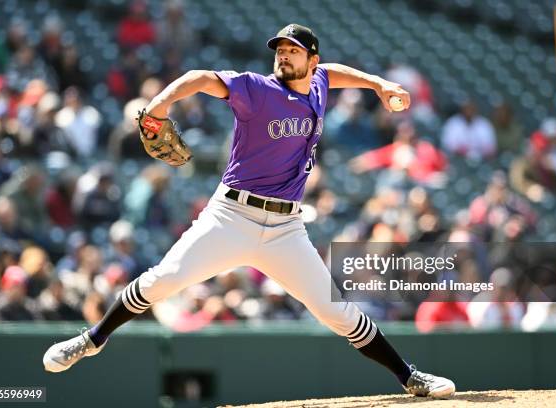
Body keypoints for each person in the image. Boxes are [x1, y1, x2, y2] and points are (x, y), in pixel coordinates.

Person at [43, 24, 455, 397]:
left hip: (286, 228)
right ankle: (92, 339)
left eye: (293, 50)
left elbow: (335, 71)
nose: (283, 54)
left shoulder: (319, 83)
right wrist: (160, 105)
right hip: (231, 217)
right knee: (162, 280)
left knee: (337, 312)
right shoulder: (257, 89)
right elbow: (200, 78)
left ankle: (409, 377)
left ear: (311, 59)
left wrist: (380, 85)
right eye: (280, 49)